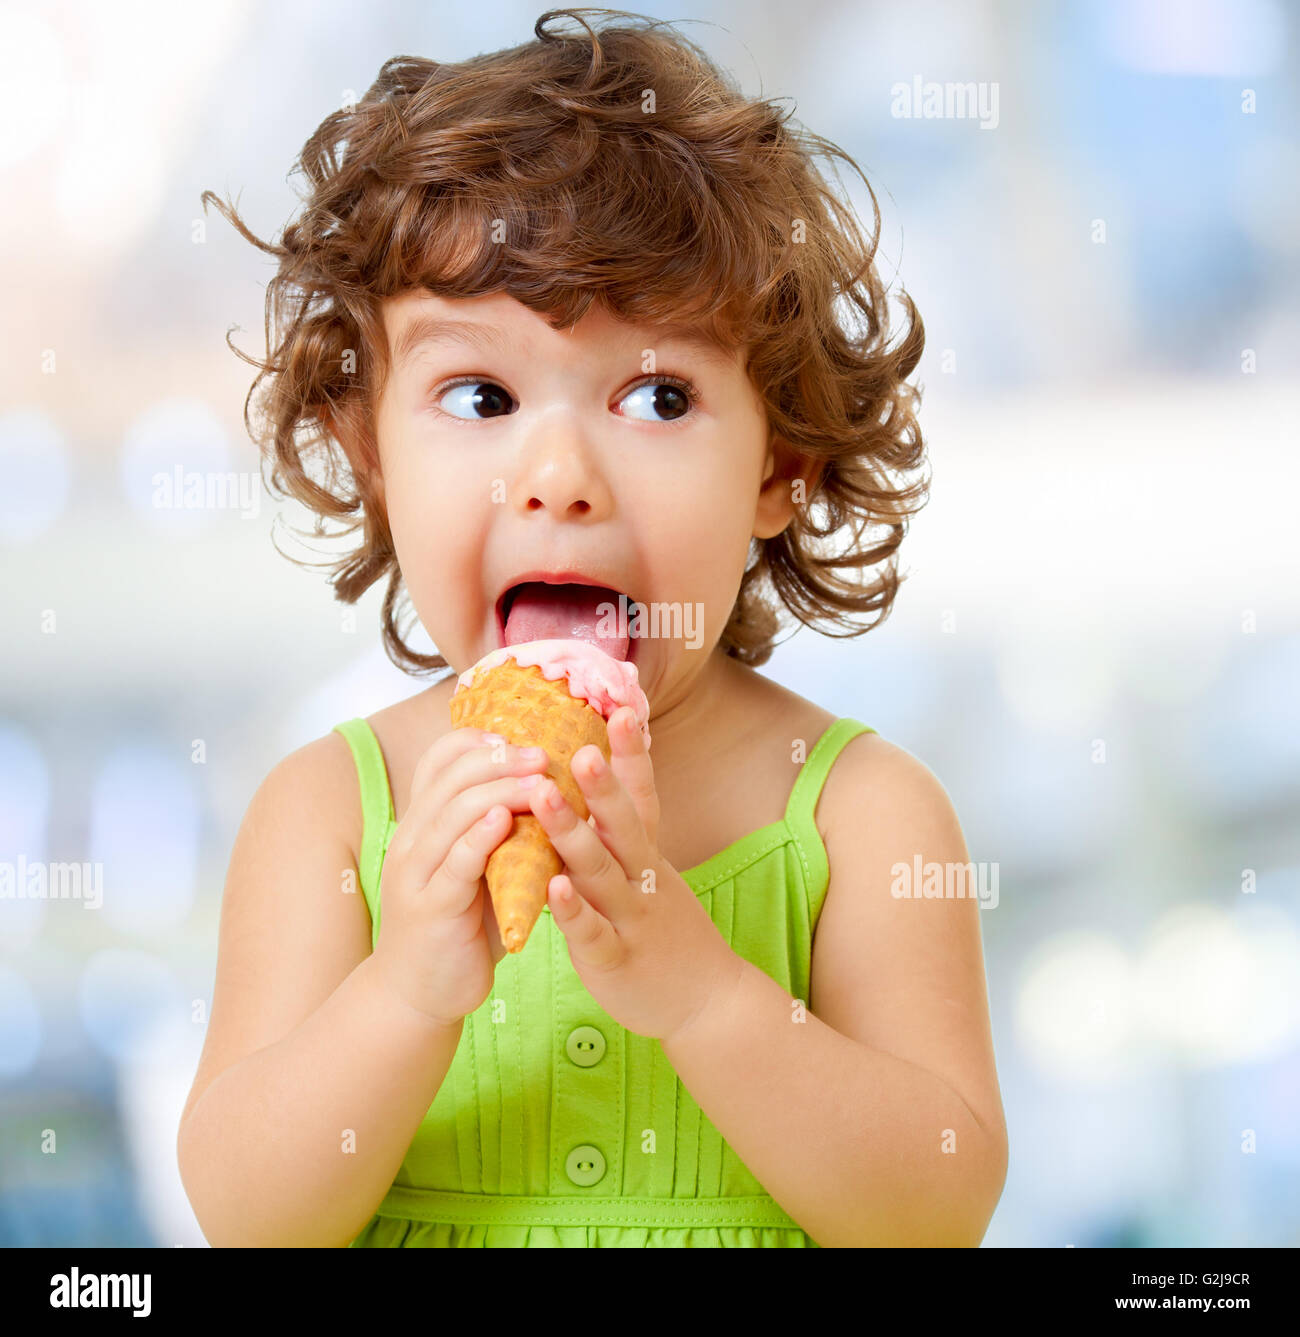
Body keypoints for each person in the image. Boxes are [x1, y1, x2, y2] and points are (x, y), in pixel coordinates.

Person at [177, 7, 1007, 1247]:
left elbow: (935, 1205)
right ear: (372, 455)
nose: (557, 471)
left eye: (657, 395)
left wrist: (704, 993)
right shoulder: (331, 811)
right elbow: (247, 1215)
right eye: (480, 394)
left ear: (781, 463)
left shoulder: (858, 813)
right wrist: (405, 992)